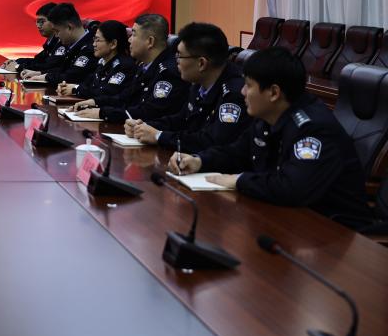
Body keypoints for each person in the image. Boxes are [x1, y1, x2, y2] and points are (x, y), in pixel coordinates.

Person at [168, 47, 371, 223]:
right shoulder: (268, 115)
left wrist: (239, 180)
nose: (242, 92)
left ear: (274, 93)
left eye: (248, 85)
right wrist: (199, 160)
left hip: (336, 231)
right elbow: (236, 152)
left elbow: (292, 188)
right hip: (288, 218)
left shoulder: (313, 129)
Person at [126, 22, 252, 153]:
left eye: (180, 56)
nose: (176, 61)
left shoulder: (234, 94)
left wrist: (159, 136)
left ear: (201, 63)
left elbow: (211, 142)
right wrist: (143, 127)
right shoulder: (199, 83)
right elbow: (182, 119)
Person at [72, 14, 189, 123]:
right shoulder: (144, 66)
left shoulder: (168, 73)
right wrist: (95, 102)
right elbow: (124, 97)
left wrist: (103, 113)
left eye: (134, 34)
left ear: (150, 41)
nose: (129, 40)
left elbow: (148, 113)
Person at [57, 20, 136, 100]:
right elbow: (87, 84)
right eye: (94, 39)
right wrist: (68, 87)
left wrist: (75, 89)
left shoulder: (124, 66)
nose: (94, 44)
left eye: (98, 40)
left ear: (113, 44)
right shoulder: (102, 62)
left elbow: (106, 92)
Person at [22, 3, 95, 88]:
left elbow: (72, 76)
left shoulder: (90, 48)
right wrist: (40, 73)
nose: (56, 36)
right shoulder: (73, 45)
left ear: (69, 27)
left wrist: (46, 77)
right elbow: (62, 69)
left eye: (57, 31)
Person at [1, 3, 65, 74]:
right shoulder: (50, 42)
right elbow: (38, 60)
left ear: (54, 22)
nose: (38, 26)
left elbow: (48, 66)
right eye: (37, 22)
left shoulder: (62, 42)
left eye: (42, 22)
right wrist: (15, 61)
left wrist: (18, 67)